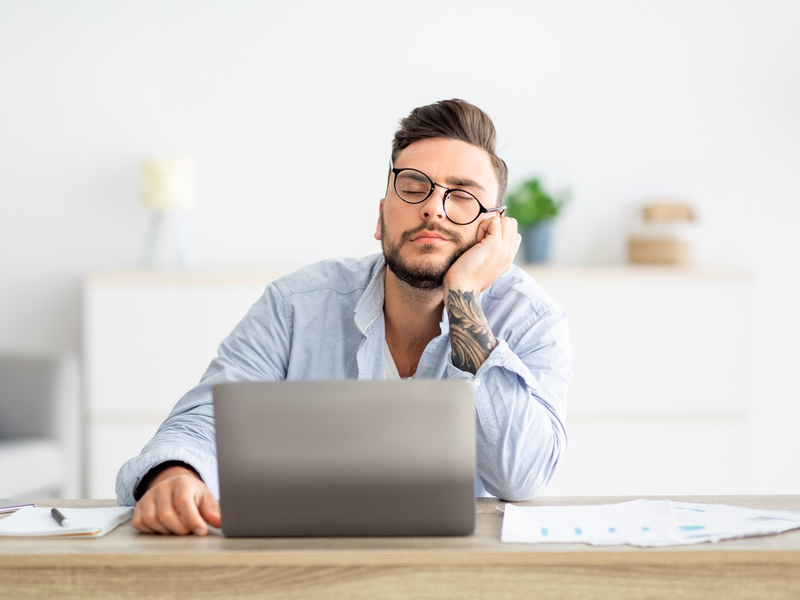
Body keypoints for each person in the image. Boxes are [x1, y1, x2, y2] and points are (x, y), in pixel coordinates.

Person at [117, 98, 572, 535]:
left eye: (464, 197)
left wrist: (465, 298)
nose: (434, 207)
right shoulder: (295, 305)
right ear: (381, 218)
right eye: (414, 186)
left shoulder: (531, 319)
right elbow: (201, 423)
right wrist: (175, 476)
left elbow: (522, 474)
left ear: (494, 232)